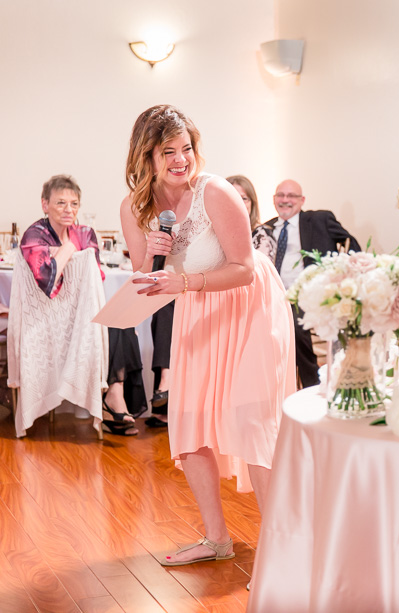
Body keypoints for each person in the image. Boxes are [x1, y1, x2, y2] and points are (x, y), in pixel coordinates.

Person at [120, 104, 295, 565]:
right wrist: (153, 259)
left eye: (187, 148)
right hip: (197, 312)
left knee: (253, 420)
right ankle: (217, 539)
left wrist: (186, 282)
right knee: (191, 421)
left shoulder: (215, 192)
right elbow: (144, 281)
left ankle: (282, 554)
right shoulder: (135, 207)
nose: (182, 159)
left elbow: (244, 269)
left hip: (248, 307)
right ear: (147, 158)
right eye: (168, 152)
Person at [21, 174, 146, 435]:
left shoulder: (85, 233)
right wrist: (67, 251)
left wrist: (65, 257)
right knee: (111, 323)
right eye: (61, 203)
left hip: (83, 310)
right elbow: (47, 281)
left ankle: (115, 394)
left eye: (74, 204)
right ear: (45, 204)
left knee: (120, 320)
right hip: (49, 318)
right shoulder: (34, 234)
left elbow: (94, 280)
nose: (69, 210)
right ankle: (114, 404)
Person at [255, 179, 360, 388]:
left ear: (302, 200)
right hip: (273, 293)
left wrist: (344, 275)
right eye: (280, 196)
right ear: (274, 200)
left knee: (294, 323)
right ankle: (268, 386)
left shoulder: (319, 219)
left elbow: (351, 244)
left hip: (308, 293)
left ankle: (311, 385)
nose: (285, 200)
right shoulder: (266, 228)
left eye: (291, 196)